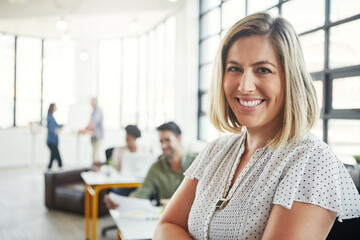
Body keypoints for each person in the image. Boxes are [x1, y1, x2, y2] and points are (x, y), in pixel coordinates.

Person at [154, 12, 360, 239]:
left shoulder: (311, 160)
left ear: (289, 79)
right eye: (234, 68)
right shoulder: (215, 150)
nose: (244, 86)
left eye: (263, 70)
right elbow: (167, 225)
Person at [104, 121, 197, 207]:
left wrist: (174, 202)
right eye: (161, 141)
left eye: (168, 140)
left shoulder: (197, 162)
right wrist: (120, 203)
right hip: (169, 220)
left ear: (179, 138)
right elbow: (141, 193)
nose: (163, 146)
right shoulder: (157, 167)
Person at [79, 97, 104, 163]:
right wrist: (85, 129)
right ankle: (95, 167)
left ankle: (95, 168)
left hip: (98, 135)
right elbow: (91, 123)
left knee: (95, 154)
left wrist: (85, 130)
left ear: (96, 102)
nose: (91, 104)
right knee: (95, 153)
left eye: (92, 103)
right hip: (93, 136)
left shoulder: (98, 110)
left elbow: (93, 123)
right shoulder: (94, 111)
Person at [46, 103, 63, 170]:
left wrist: (61, 126)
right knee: (58, 158)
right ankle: (61, 172)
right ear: (52, 107)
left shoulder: (52, 117)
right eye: (55, 107)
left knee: (52, 157)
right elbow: (53, 129)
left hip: (54, 141)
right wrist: (58, 129)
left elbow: (56, 126)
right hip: (51, 141)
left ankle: (48, 169)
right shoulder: (50, 118)